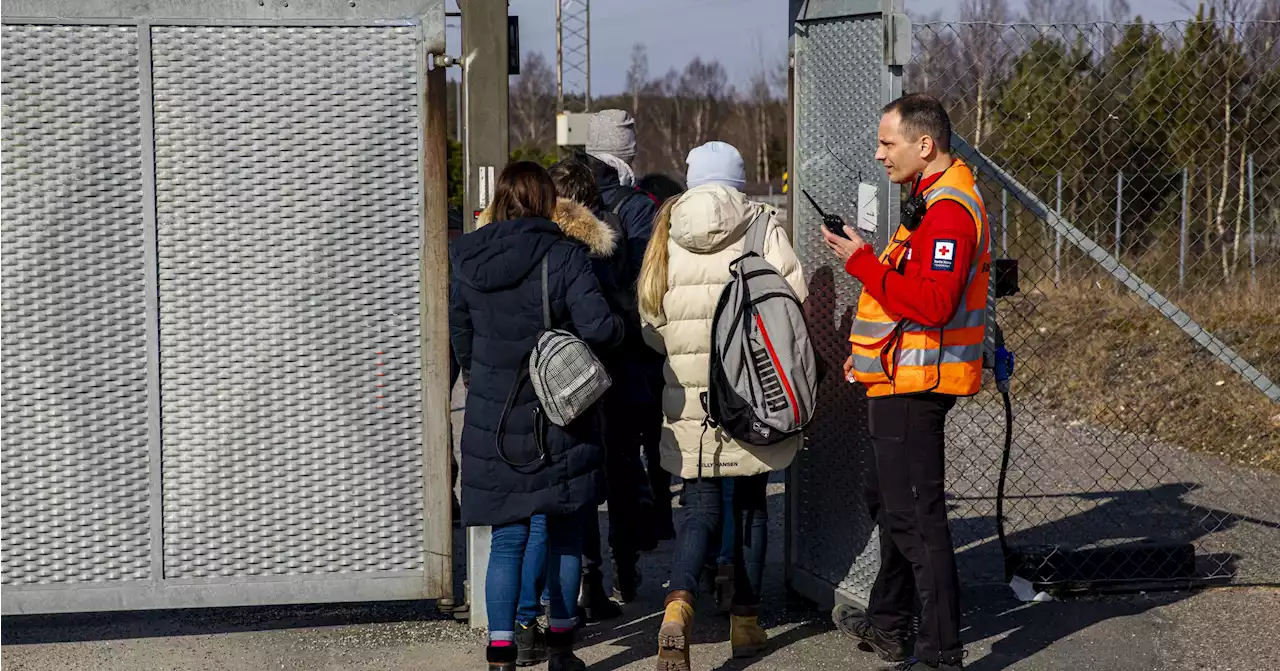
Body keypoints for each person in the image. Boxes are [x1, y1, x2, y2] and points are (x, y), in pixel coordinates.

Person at [820, 93, 990, 671]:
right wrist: (867, 353)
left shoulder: (947, 212)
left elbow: (936, 302)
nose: (878, 154)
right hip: (895, 377)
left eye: (887, 143)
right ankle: (891, 623)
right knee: (893, 503)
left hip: (918, 385)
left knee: (917, 517)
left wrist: (861, 262)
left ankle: (941, 650)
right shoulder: (925, 202)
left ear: (925, 145)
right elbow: (902, 291)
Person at [638, 141, 808, 670]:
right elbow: (793, 301)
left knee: (700, 505)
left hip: (689, 391)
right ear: (738, 178)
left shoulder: (666, 227)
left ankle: (678, 607)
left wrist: (682, 356)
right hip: (754, 387)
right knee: (753, 502)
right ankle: (746, 624)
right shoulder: (762, 225)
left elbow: (649, 316)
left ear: (692, 180)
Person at [449, 161, 625, 671]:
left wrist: (480, 377)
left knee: (507, 537)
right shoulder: (565, 256)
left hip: (492, 417)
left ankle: (501, 652)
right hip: (559, 416)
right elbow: (597, 327)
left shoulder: (468, 259)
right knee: (565, 532)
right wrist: (615, 328)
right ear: (549, 202)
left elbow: (462, 335)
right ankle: (562, 649)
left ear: (500, 201)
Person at [545, 159, 656, 623]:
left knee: (578, 485)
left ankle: (587, 581)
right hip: (616, 370)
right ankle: (623, 569)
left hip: (565, 377)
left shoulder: (546, 243)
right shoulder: (609, 239)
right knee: (621, 473)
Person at [579, 109, 670, 599]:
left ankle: (588, 576)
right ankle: (625, 563)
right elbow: (648, 283)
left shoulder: (571, 196)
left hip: (578, 355)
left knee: (584, 467)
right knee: (622, 461)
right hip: (630, 355)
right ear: (627, 152)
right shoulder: (640, 207)